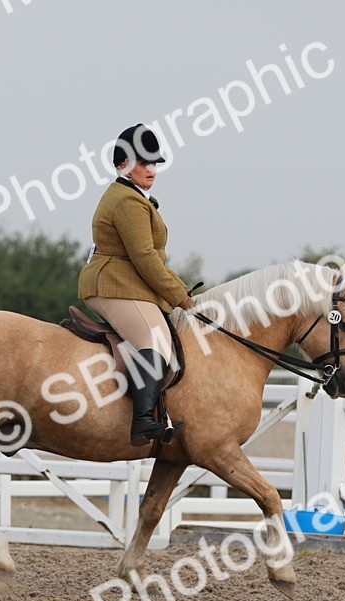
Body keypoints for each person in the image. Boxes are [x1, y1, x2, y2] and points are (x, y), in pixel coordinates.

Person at [79, 122, 196, 446]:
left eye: (154, 162)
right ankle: (143, 421)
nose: (151, 169)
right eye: (143, 162)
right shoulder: (127, 202)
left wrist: (182, 289)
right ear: (122, 164)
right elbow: (145, 258)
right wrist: (180, 298)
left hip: (126, 284)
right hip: (114, 285)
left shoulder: (136, 197)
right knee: (155, 338)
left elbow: (153, 260)